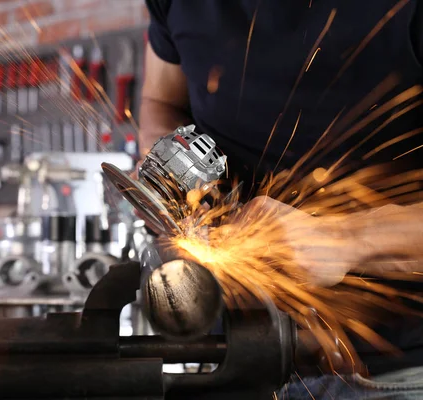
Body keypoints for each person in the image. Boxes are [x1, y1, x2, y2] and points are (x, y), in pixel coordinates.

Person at [141, 0, 423, 398]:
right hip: (230, 360)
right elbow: (160, 102)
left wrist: (345, 241)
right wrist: (172, 170)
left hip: (396, 369)